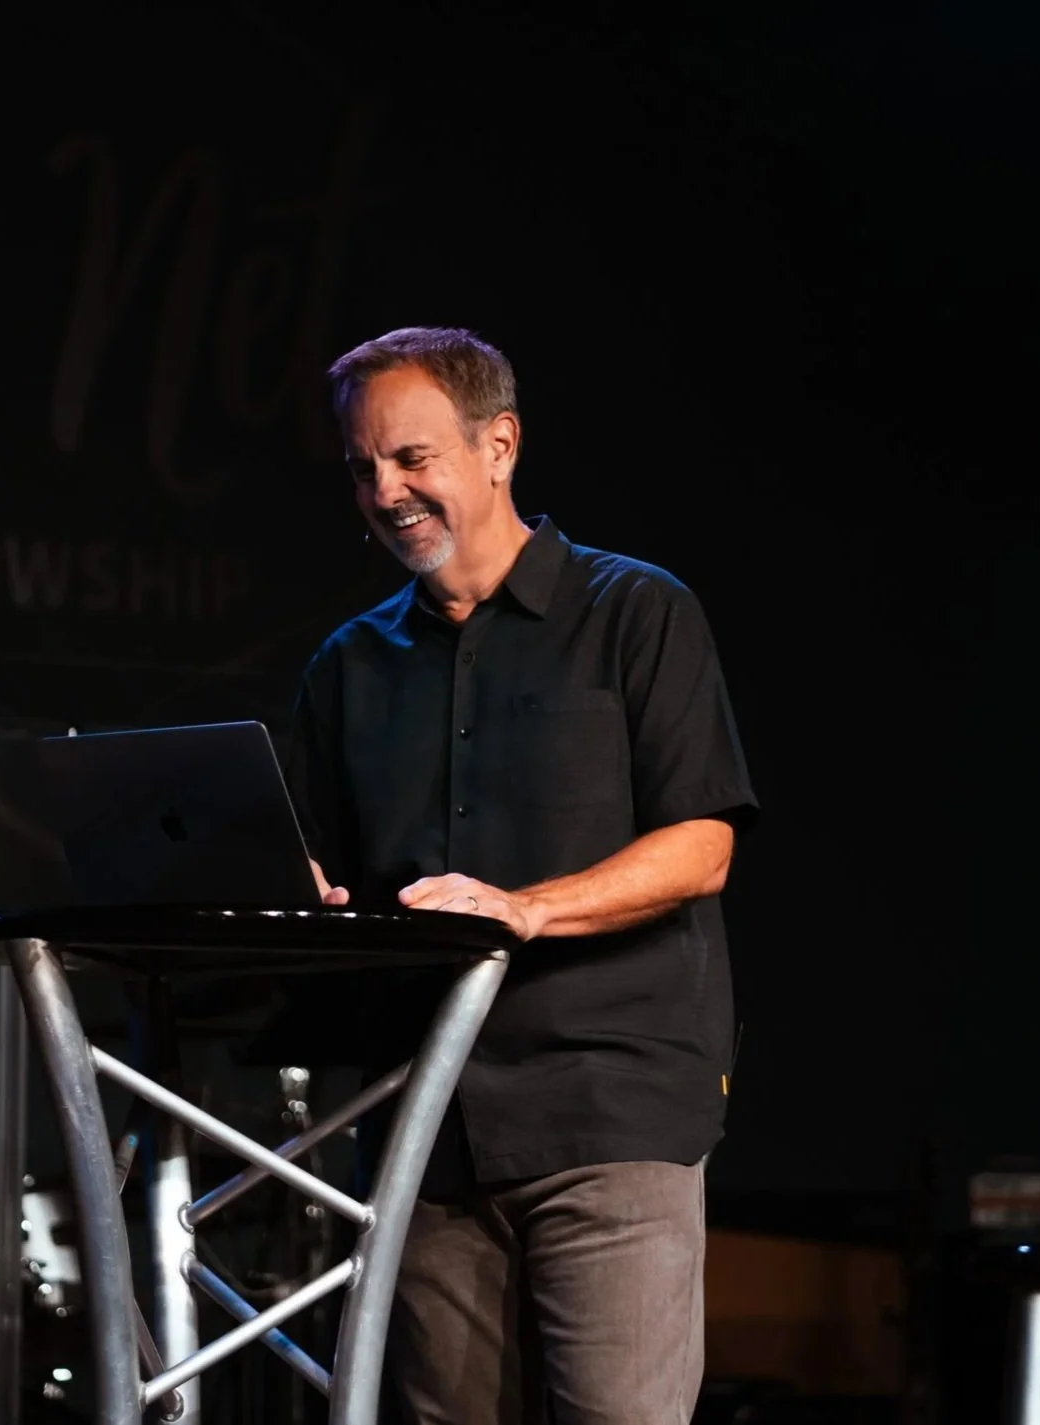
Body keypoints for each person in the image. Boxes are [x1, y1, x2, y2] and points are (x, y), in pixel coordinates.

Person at [284, 327, 759, 1425]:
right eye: (362, 468)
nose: (384, 491)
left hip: (608, 1113)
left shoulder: (637, 612)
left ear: (498, 446)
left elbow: (705, 847)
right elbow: (319, 870)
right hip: (424, 1126)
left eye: (411, 458)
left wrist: (524, 911)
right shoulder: (350, 665)